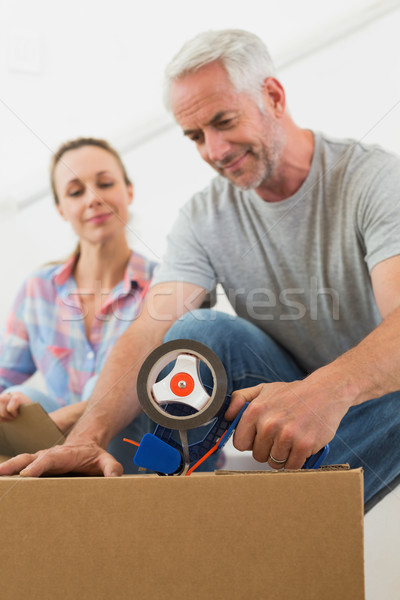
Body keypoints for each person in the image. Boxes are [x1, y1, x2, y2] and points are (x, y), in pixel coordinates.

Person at [1, 30, 399, 509]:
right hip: (276, 391)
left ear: (272, 96)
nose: (213, 150)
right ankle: (163, 503)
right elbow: (150, 330)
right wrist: (84, 439)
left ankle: (302, 515)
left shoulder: (373, 180)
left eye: (223, 122)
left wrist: (322, 394)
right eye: (195, 137)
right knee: (198, 328)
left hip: (370, 404)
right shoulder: (205, 215)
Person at [0, 137, 157, 473]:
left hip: (135, 448)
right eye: (75, 192)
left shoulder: (165, 286)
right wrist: (11, 406)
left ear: (129, 191)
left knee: (114, 387)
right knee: (19, 395)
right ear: (60, 209)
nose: (93, 199)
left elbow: (166, 390)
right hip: (57, 453)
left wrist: (76, 415)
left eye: (105, 184)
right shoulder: (38, 290)